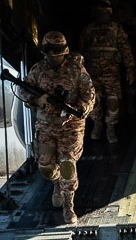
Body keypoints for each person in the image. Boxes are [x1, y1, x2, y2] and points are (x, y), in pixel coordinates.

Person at [24, 31, 96, 224]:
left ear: (64, 51)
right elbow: (24, 90)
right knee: (45, 166)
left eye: (57, 52)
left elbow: (89, 95)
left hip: (70, 127)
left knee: (67, 165)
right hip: (46, 126)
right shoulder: (38, 70)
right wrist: (37, 100)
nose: (53, 56)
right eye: (49, 52)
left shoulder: (76, 70)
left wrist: (79, 108)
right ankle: (56, 184)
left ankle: (69, 205)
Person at [79, 0, 136, 143]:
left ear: (109, 13)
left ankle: (110, 127)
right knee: (94, 100)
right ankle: (97, 123)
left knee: (113, 102)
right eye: (99, 11)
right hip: (93, 73)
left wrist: (130, 68)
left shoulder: (116, 29)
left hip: (112, 73)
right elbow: (81, 51)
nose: (102, 14)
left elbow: (125, 49)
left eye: (104, 12)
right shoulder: (88, 29)